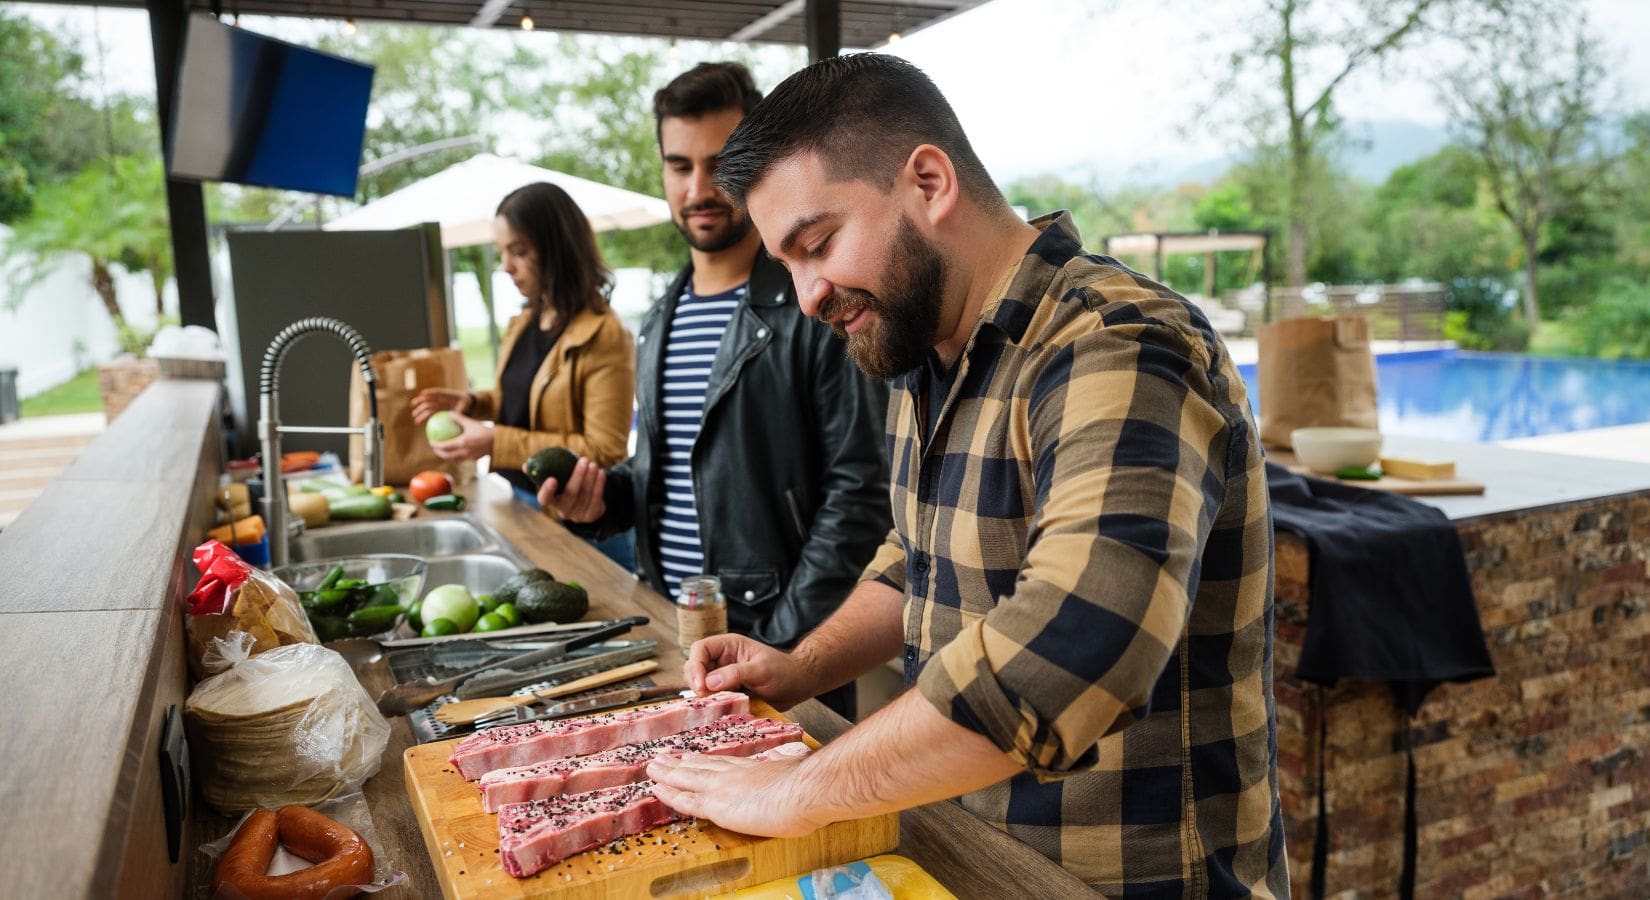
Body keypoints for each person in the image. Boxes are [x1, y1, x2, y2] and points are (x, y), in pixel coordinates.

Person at [641, 55, 1288, 896]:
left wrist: (796, 790)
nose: (805, 296)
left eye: (819, 244)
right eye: (787, 262)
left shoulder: (1118, 344)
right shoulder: (926, 349)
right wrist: (800, 668)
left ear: (929, 182)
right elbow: (916, 561)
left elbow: (1070, 646)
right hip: (973, 860)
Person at [537, 63, 890, 721]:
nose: (698, 188)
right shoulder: (659, 314)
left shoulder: (815, 305)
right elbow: (673, 471)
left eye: (719, 162)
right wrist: (605, 500)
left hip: (783, 644)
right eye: (679, 166)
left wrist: (782, 642)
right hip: (669, 634)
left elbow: (863, 495)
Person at [412, 183, 636, 563]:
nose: (506, 266)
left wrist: (495, 442)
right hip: (521, 500)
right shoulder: (526, 320)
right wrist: (473, 402)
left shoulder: (606, 334)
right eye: (503, 251)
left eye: (520, 251)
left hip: (580, 520)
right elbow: (523, 401)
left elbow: (605, 450)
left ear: (559, 250)